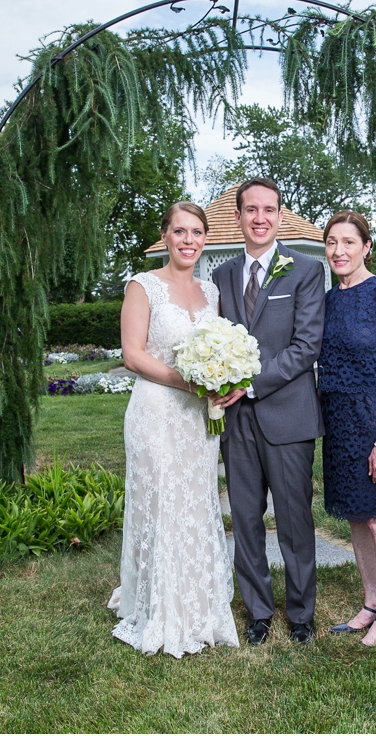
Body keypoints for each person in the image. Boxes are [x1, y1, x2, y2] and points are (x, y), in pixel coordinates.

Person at [109, 201, 239, 658]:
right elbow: (133, 355)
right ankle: (158, 607)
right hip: (157, 410)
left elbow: (221, 349)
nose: (189, 240)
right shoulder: (142, 287)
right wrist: (189, 381)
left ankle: (197, 606)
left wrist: (221, 379)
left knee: (195, 499)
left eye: (197, 232)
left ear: (205, 239)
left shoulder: (212, 292)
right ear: (165, 236)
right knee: (161, 500)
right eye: (180, 231)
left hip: (198, 418)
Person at [210, 178, 326, 645]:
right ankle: (257, 611)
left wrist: (249, 387)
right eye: (251, 210)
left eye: (269, 210)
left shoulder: (305, 270)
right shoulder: (221, 276)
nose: (260, 218)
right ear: (237, 217)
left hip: (288, 416)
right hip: (236, 423)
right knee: (245, 518)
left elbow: (305, 346)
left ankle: (301, 614)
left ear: (279, 215)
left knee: (295, 520)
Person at [318, 210, 376, 648]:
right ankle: (371, 603)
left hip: (374, 420)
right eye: (332, 242)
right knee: (356, 517)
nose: (339, 250)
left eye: (349, 242)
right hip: (337, 421)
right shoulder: (330, 298)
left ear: (366, 247)